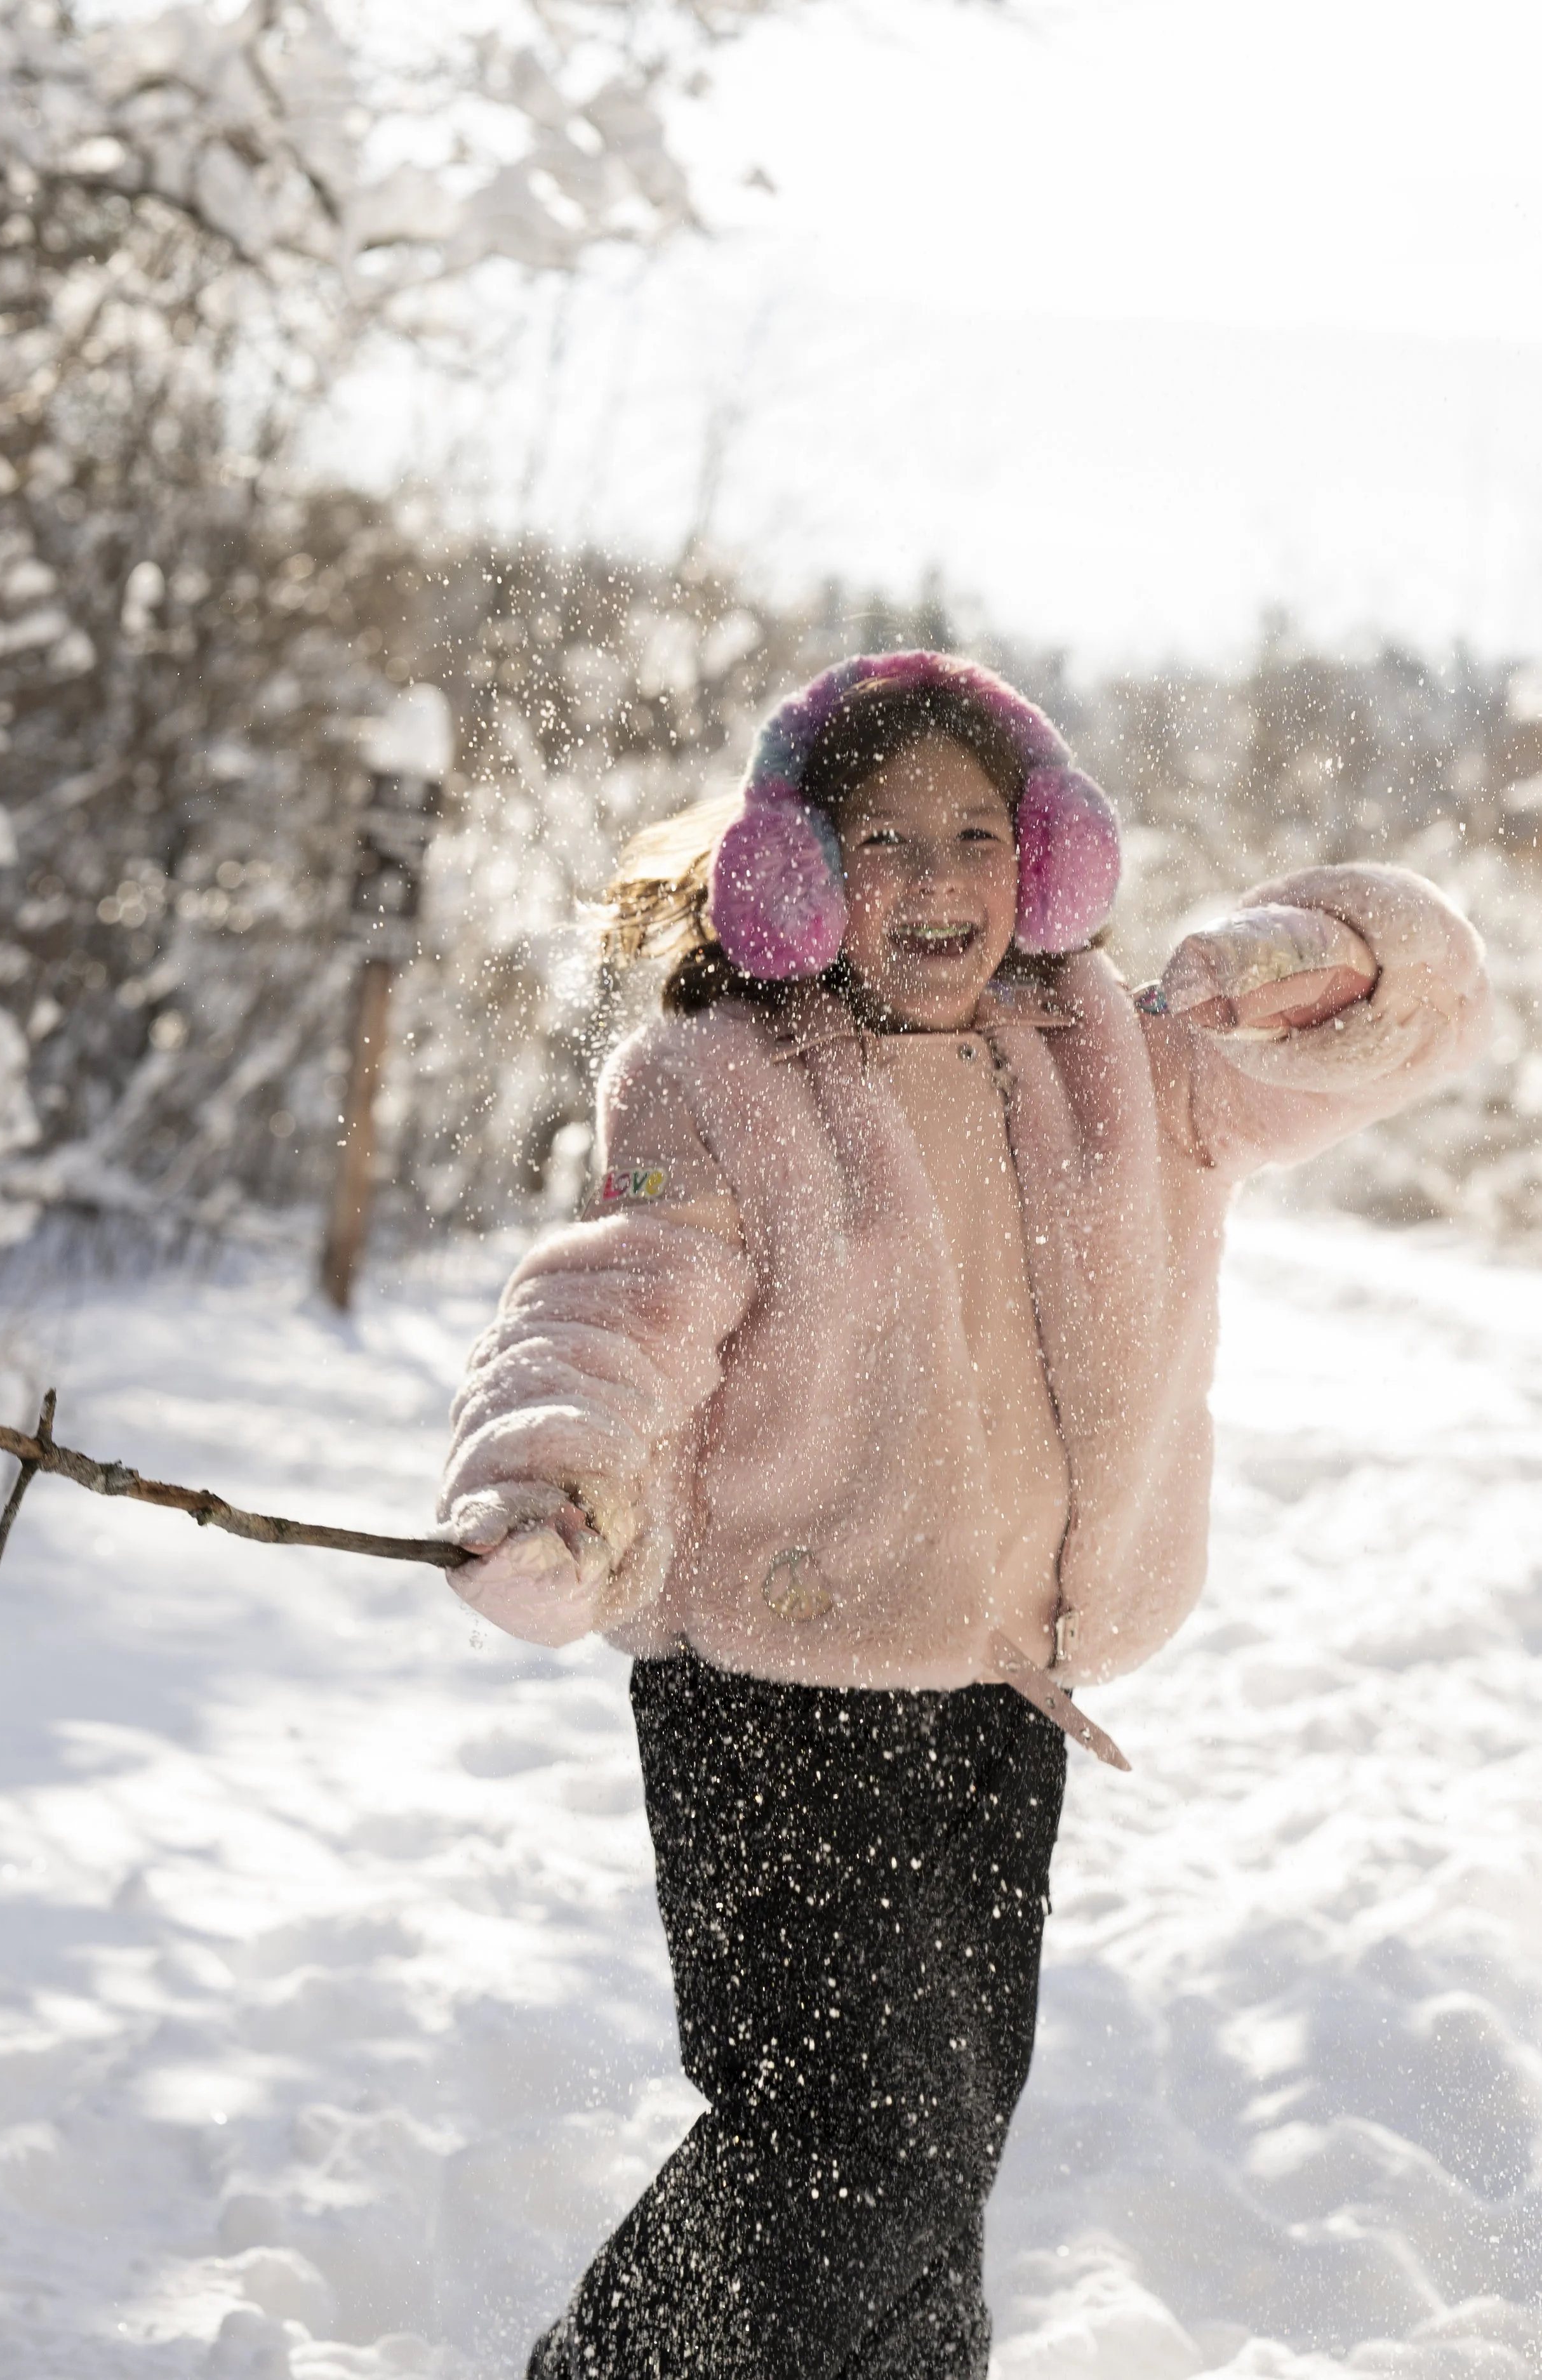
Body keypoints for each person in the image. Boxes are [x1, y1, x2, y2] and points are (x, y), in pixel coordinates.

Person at [437, 652, 1491, 2379]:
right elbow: (615, 1299)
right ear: (793, 871)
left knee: (938, 2159)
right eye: (881, 838)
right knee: (847, 2146)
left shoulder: (1124, 1066)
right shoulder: (715, 1076)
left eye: (975, 832)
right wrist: (556, 1476)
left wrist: (1311, 952)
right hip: (773, 1693)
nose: (934, 879)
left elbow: (1410, 1016)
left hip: (995, 1695)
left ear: (1048, 856)